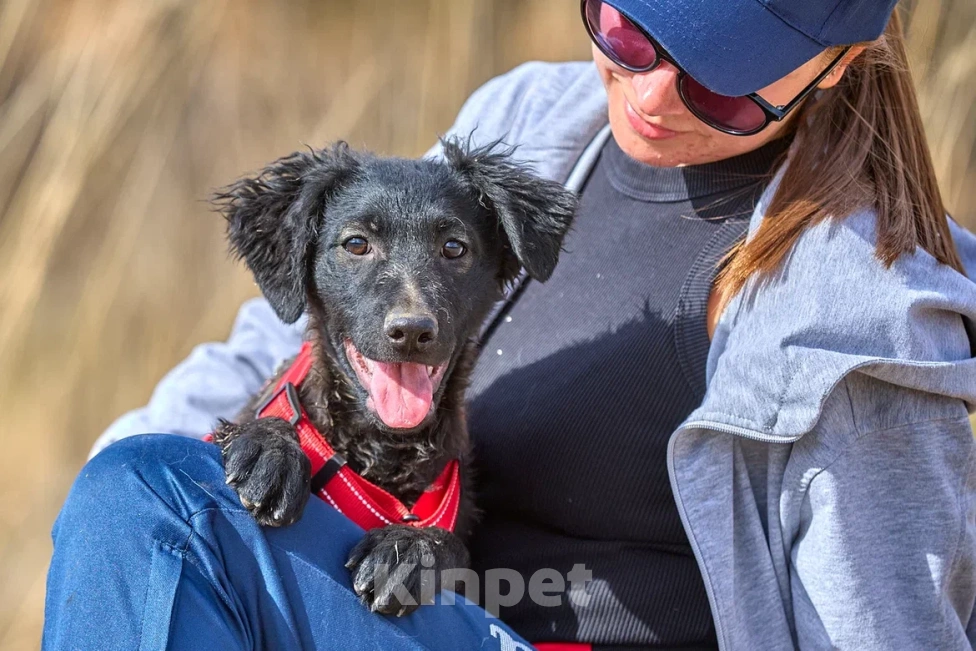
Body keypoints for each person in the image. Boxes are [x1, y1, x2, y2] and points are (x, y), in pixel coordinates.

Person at [44, 0, 976, 649]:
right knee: (140, 491)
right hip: (403, 602)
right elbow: (300, 327)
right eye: (631, 31)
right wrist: (109, 519)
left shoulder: (862, 322)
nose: (648, 98)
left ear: (838, 64)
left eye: (721, 87)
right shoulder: (536, 122)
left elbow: (882, 627)